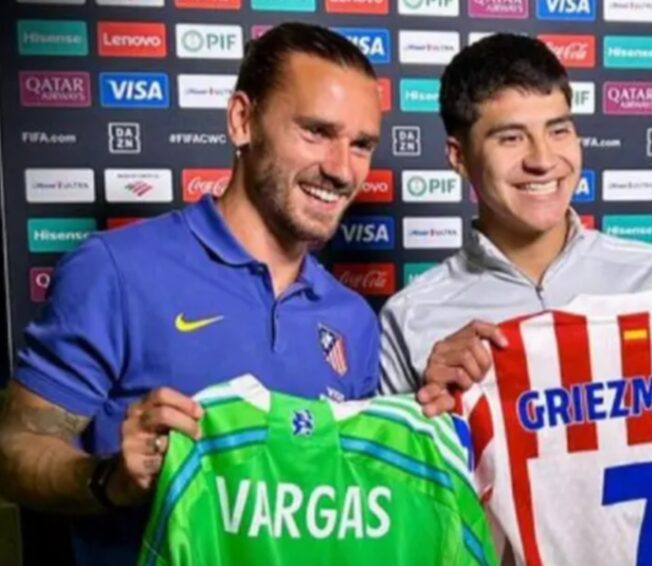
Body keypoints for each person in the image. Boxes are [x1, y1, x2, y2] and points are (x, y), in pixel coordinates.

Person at [0, 23, 383, 565]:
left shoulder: (353, 319)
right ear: (242, 120)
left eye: (362, 144)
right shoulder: (115, 269)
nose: (342, 169)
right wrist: (110, 477)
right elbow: (14, 451)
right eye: (316, 132)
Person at [378, 33, 652, 413]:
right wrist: (424, 408)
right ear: (459, 157)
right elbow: (395, 451)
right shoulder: (410, 316)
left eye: (558, 131)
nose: (543, 160)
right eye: (511, 138)